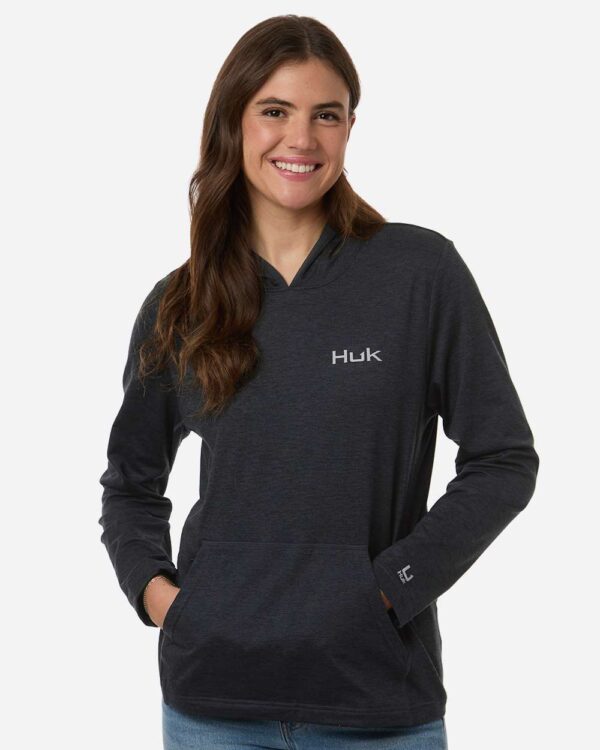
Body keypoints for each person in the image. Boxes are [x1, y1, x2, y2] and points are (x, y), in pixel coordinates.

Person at [98, 14, 539, 750]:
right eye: (275, 111)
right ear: (233, 123)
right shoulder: (180, 304)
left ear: (349, 128)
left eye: (325, 115)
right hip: (212, 706)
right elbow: (130, 484)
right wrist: (162, 599)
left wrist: (390, 588)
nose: (301, 139)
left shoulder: (419, 274)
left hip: (378, 705)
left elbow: (504, 460)